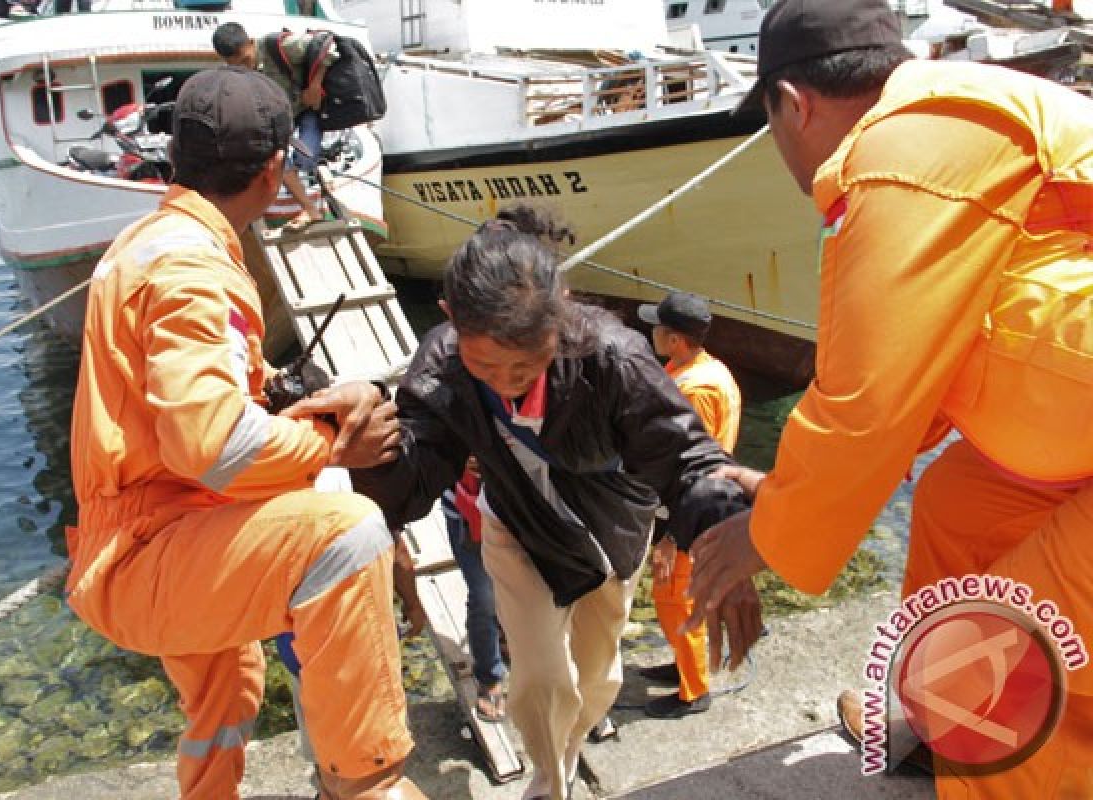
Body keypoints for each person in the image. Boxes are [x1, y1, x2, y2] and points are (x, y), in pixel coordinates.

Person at [684, 1, 1093, 798]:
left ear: (793, 104)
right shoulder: (958, 120)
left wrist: (763, 536)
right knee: (952, 500)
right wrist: (788, 493)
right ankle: (941, 727)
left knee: (993, 647)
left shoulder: (901, 155)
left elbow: (862, 401)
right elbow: (922, 379)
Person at [64, 66, 428, 800]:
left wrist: (296, 407)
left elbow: (187, 421)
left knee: (228, 687)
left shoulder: (146, 242)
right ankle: (366, 782)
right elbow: (215, 447)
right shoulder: (197, 269)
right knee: (348, 533)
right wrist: (335, 445)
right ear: (273, 168)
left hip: (135, 535)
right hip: (151, 551)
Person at [312, 205, 749, 800]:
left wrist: (725, 537)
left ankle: (564, 759)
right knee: (541, 680)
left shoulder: (613, 356)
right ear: (450, 319)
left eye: (527, 362)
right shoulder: (443, 365)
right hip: (517, 523)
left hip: (609, 531)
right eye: (484, 362)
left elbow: (684, 457)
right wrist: (371, 452)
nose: (504, 379)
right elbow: (412, 483)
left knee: (597, 680)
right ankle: (549, 784)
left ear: (561, 313)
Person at [636, 291, 741, 719]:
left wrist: (672, 536)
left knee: (675, 595)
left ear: (675, 339)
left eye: (658, 328)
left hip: (692, 512)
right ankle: (684, 663)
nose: (651, 332)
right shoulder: (706, 369)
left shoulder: (695, 391)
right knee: (681, 594)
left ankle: (694, 691)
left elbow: (693, 474)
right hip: (704, 504)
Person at [212, 21, 334, 223]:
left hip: (307, 109)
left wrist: (315, 85)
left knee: (306, 160)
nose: (245, 67)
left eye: (245, 60)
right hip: (281, 117)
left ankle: (321, 172)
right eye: (236, 65)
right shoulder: (234, 73)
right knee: (277, 161)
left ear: (251, 43)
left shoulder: (280, 46)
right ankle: (310, 209)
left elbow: (329, 45)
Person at [441, 458, 509, 722]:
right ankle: (489, 674)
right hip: (466, 510)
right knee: (484, 595)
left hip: (520, 503)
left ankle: (506, 637)